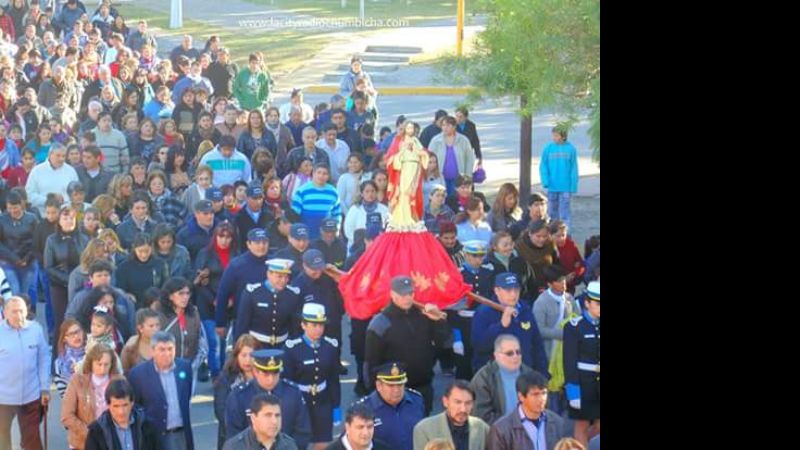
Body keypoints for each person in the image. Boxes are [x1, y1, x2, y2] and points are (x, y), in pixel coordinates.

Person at [364, 275, 451, 414]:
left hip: (423, 385)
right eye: (402, 294)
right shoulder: (381, 322)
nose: (407, 298)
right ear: (392, 294)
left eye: (410, 293)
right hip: (395, 389)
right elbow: (371, 361)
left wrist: (438, 322)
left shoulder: (424, 316)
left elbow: (444, 344)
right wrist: (373, 393)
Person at [224, 349, 311, 449]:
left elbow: (302, 431)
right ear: (255, 372)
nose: (271, 379)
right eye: (266, 374)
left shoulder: (293, 393)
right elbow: (233, 433)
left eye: (275, 374)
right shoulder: (239, 396)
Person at [282, 303, 341, 450]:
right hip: (300, 401)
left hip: (323, 401)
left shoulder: (330, 346)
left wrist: (336, 406)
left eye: (321, 325)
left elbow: (333, 379)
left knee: (323, 442)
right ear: (303, 325)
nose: (318, 329)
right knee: (299, 442)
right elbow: (287, 381)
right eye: (314, 325)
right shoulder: (292, 348)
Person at [471, 273, 548, 377]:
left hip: (524, 373)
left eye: (516, 290)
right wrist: (501, 326)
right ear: (497, 290)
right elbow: (479, 346)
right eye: (508, 290)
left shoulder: (525, 309)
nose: (513, 294)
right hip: (496, 376)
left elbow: (536, 343)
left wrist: (543, 374)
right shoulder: (484, 312)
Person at [128, 331, 195, 450]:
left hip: (181, 435)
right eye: (162, 349)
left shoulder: (185, 367)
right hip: (154, 438)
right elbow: (135, 407)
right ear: (153, 351)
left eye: (170, 349)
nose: (167, 353)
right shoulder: (138, 374)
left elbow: (186, 396)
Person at [0, 297, 49, 450]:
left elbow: (43, 359)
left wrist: (45, 388)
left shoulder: (36, 329)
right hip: (3, 397)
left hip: (31, 395)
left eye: (21, 311)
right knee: (1, 439)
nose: (19, 315)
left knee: (32, 440)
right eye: (14, 312)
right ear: (5, 313)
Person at [193, 221, 237, 378]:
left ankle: (224, 375)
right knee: (214, 343)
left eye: (228, 237)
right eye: (221, 236)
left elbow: (239, 280)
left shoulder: (236, 254)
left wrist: (232, 299)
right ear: (215, 236)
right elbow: (198, 283)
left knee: (225, 344)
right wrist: (214, 300)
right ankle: (216, 375)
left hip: (229, 306)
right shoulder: (205, 254)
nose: (224, 240)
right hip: (208, 305)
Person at [61, 343, 124, 450]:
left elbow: (127, 410)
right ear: (91, 363)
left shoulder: (120, 381)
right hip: (82, 443)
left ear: (112, 364)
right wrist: (90, 434)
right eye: (99, 364)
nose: (102, 369)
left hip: (112, 443)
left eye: (106, 364)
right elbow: (66, 416)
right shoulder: (77, 381)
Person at [487, 371, 568, 450]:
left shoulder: (558, 423)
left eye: (544, 393)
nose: (542, 399)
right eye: (535, 394)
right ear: (521, 397)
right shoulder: (501, 429)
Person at [213, 228, 269, 340]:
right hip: (243, 322)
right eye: (257, 243)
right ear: (248, 244)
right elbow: (223, 294)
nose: (261, 246)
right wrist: (220, 322)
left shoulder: (273, 264)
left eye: (264, 242)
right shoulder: (236, 265)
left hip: (268, 323)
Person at [469, 334, 538, 425]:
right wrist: (511, 426)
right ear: (496, 355)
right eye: (509, 353)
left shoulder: (531, 375)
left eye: (518, 352)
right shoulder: (484, 378)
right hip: (497, 431)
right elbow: (482, 415)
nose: (515, 356)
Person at [354, 362, 424, 450]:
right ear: (379, 386)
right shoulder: (363, 409)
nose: (396, 390)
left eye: (400, 385)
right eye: (391, 386)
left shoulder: (416, 400)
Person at [233, 258, 302, 347]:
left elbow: (294, 326)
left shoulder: (292, 294)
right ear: (269, 274)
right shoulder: (253, 293)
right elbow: (242, 325)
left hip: (281, 345)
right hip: (256, 345)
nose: (283, 280)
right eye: (279, 276)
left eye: (286, 277)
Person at [563, 281, 600, 446]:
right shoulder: (574, 327)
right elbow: (569, 361)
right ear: (587, 303)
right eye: (597, 304)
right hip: (583, 383)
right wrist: (573, 390)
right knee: (582, 425)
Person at [44, 204, 88, 340]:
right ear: (59, 221)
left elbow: (88, 262)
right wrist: (69, 280)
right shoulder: (51, 240)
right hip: (59, 286)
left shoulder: (84, 239)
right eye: (65, 218)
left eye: (72, 218)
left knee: (79, 320)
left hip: (80, 286)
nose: (69, 221)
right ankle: (58, 351)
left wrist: (78, 280)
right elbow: (49, 267)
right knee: (61, 322)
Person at [83, 378, 163, 450]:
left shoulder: (147, 426)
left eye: (125, 405)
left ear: (132, 403)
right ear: (108, 405)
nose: (121, 412)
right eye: (116, 406)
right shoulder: (97, 432)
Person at [157, 277, 208, 384]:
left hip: (190, 368)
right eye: (181, 293)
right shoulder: (160, 317)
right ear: (170, 296)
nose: (185, 297)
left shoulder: (193, 313)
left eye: (187, 293)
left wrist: (194, 365)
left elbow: (201, 340)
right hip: (165, 370)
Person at [412, 380, 490, 450]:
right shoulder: (425, 429)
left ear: (473, 404)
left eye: (468, 403)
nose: (463, 409)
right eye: (458, 402)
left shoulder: (482, 428)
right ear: (445, 401)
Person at [213, 334, 259, 450]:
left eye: (252, 355)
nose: (248, 360)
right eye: (243, 355)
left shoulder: (263, 377)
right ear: (236, 355)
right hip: (232, 436)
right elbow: (220, 409)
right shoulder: (226, 378)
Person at [384, 120, 429, 229]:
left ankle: (412, 218)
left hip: (414, 171)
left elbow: (424, 156)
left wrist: (418, 152)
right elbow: (390, 160)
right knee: (403, 194)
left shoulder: (416, 141)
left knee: (412, 196)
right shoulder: (397, 141)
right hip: (402, 173)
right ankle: (401, 219)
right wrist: (402, 152)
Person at [222, 393, 298, 450]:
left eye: (277, 415)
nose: (274, 421)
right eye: (268, 415)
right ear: (253, 418)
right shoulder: (235, 447)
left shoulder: (289, 445)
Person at [0, 190, 39, 299]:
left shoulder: (32, 218)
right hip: (8, 261)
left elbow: (37, 241)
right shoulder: (2, 220)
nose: (13, 211)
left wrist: (27, 258)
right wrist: (14, 258)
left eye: (15, 207)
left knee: (27, 292)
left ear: (21, 205)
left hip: (28, 261)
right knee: (15, 290)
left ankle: (28, 309)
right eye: (10, 208)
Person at [115, 232, 170, 306]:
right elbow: (120, 289)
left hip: (156, 304)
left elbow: (166, 286)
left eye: (147, 251)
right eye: (140, 251)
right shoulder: (124, 267)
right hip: (134, 305)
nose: (144, 255)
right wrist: (127, 295)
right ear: (134, 249)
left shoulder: (160, 264)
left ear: (152, 248)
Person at [539, 126, 578, 229]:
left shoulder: (571, 149)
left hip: (566, 187)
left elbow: (574, 168)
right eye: (553, 135)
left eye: (556, 135)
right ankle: (552, 231)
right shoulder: (548, 148)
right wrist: (545, 180)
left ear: (563, 136)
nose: (554, 138)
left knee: (565, 212)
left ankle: (566, 232)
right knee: (552, 212)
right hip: (552, 186)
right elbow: (543, 165)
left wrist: (573, 185)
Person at [290, 164, 341, 241]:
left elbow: (337, 214)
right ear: (313, 173)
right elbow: (295, 214)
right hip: (306, 235)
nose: (321, 176)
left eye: (324, 173)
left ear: (328, 176)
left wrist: (337, 229)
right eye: (319, 172)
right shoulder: (302, 191)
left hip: (326, 235)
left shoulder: (333, 192)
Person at [25, 143, 78, 215]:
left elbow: (76, 194)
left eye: (63, 156)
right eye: (58, 156)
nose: (61, 159)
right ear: (50, 155)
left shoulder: (71, 171)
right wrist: (48, 200)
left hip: (66, 215)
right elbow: (29, 195)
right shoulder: (37, 171)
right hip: (42, 215)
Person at [428, 117, 474, 197]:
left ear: (454, 126)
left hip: (458, 178)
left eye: (448, 125)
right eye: (443, 125)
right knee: (442, 199)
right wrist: (430, 173)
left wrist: (468, 175)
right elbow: (429, 157)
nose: (445, 128)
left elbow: (469, 159)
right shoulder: (436, 140)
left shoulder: (463, 140)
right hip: (440, 177)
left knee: (457, 199)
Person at [516, 219, 559, 300]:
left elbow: (556, 264)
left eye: (545, 236)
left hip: (548, 286)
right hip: (528, 289)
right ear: (530, 234)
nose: (542, 239)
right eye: (538, 236)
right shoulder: (520, 247)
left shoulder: (550, 244)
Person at [343, 180, 388, 251]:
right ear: (362, 193)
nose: (370, 194)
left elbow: (387, 228)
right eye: (367, 191)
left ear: (376, 192)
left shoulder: (384, 209)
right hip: (358, 248)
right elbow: (348, 230)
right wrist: (363, 243)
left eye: (372, 191)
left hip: (379, 247)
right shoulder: (355, 209)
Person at [120, 308, 162, 374]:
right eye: (151, 326)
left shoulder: (165, 343)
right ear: (140, 328)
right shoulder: (130, 348)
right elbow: (124, 372)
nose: (156, 329)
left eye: (157, 325)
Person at [233, 184, 273, 251]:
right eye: (255, 198)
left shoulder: (269, 215)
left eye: (260, 198)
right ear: (246, 198)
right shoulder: (238, 218)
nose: (258, 202)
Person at [54, 318, 87, 398]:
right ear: (64, 339)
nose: (76, 336)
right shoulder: (60, 363)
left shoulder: (92, 352)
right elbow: (63, 394)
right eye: (71, 334)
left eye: (78, 331)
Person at [549, 221, 584, 295]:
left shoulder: (571, 245)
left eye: (563, 235)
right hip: (553, 286)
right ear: (551, 235)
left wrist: (574, 274)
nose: (561, 239)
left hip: (570, 285)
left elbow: (580, 264)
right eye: (558, 236)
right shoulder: (547, 248)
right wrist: (563, 279)